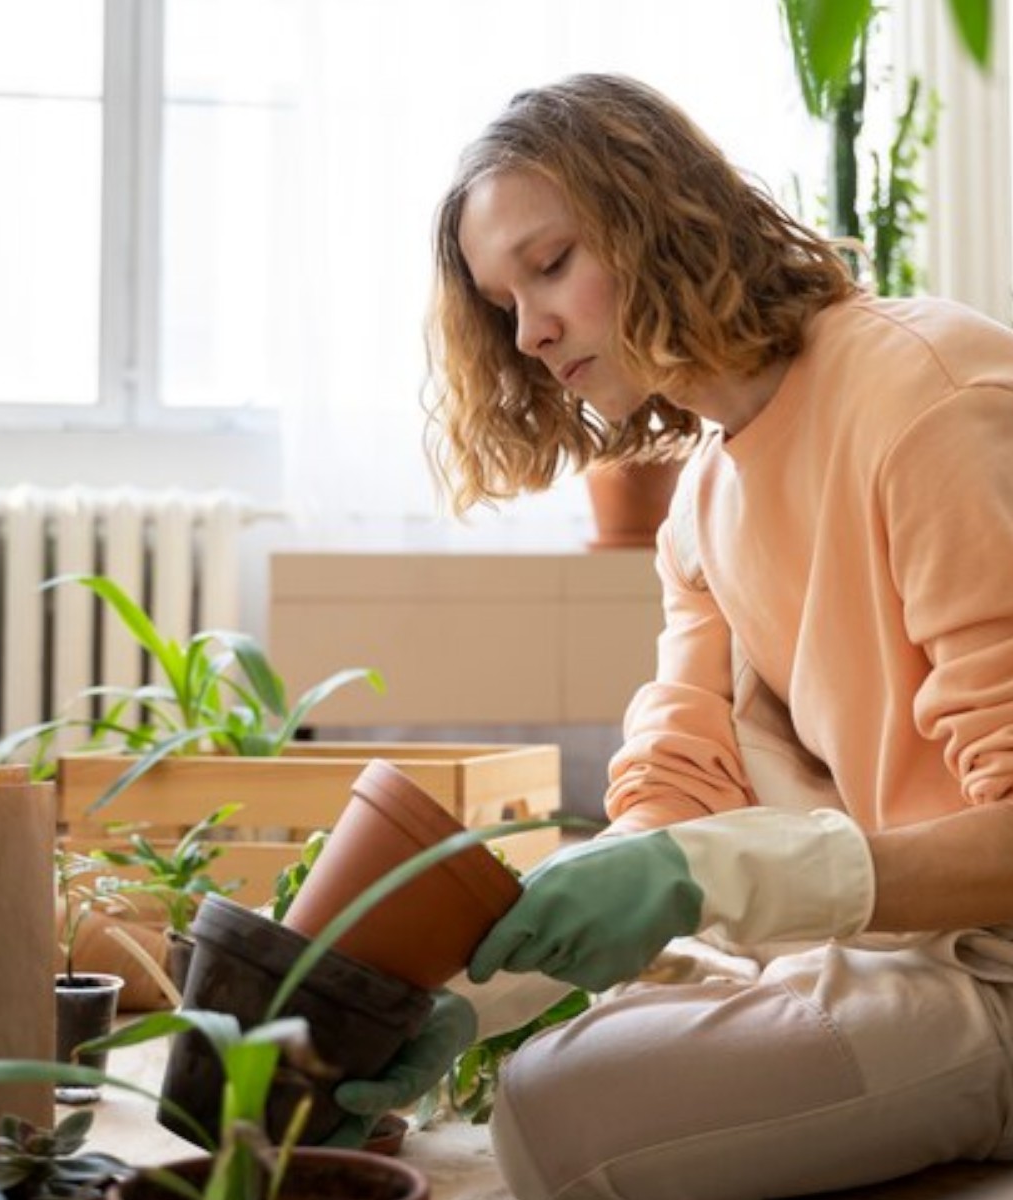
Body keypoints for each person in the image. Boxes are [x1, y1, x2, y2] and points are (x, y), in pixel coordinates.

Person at [329, 73, 1013, 1199]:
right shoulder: (701, 499)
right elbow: (676, 791)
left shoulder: (926, 400)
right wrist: (475, 995)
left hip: (992, 968)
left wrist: (709, 878)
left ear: (661, 216)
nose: (531, 331)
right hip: (887, 949)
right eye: (505, 303)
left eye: (552, 265)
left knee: (563, 1119)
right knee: (553, 1072)